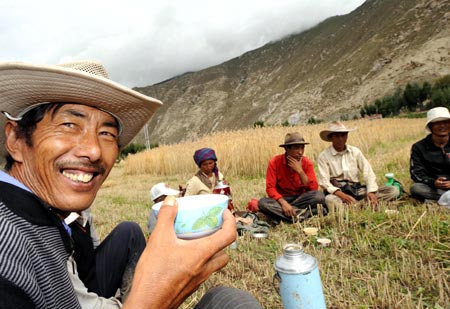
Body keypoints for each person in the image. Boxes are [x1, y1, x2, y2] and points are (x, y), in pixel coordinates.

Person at [0, 61, 262, 308]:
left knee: (226, 298)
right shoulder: (7, 242)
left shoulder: (38, 219)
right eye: (69, 124)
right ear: (15, 140)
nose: (93, 150)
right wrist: (150, 300)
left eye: (107, 133)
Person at [317, 121, 399, 210]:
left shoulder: (355, 152)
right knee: (330, 200)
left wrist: (371, 192)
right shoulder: (323, 156)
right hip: (338, 192)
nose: (340, 139)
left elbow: (368, 172)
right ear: (331, 137)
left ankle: (357, 205)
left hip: (357, 190)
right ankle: (362, 206)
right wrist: (342, 195)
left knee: (393, 191)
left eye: (343, 135)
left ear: (347, 136)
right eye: (337, 136)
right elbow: (324, 182)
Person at [258, 132, 326, 223]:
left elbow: (313, 188)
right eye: (296, 148)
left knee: (319, 196)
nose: (300, 152)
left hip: (301, 198)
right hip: (282, 199)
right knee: (263, 203)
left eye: (302, 148)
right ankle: (307, 214)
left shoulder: (306, 163)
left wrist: (300, 171)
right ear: (286, 149)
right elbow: (270, 188)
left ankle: (281, 216)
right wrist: (283, 203)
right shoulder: (274, 162)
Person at [410, 106, 450, 202]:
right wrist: (434, 182)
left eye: (445, 122)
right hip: (434, 187)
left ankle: (439, 200)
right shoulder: (418, 147)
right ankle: (445, 198)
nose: (442, 126)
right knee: (416, 188)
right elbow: (416, 173)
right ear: (430, 126)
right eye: (437, 123)